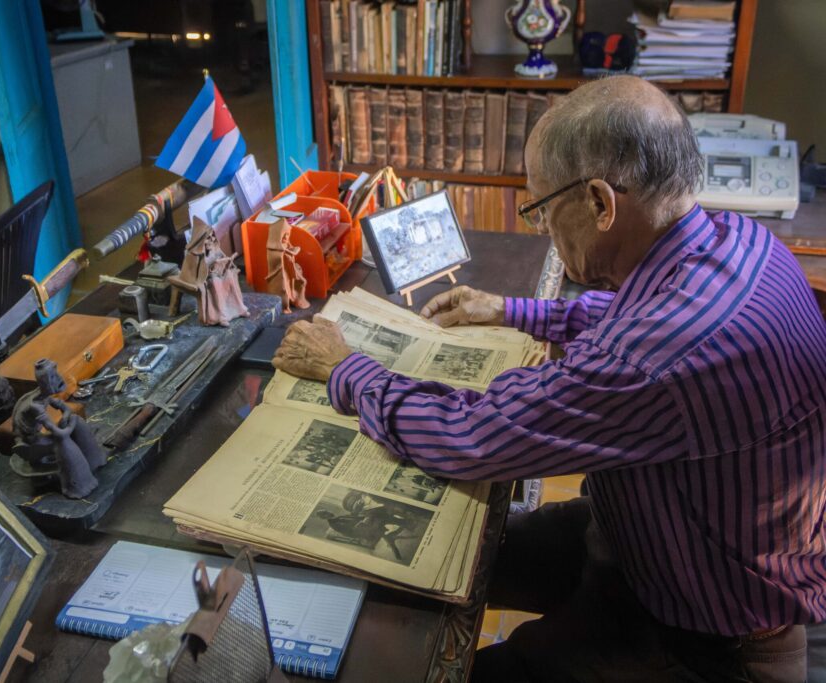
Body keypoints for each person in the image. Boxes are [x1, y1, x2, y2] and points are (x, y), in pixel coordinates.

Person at [272, 75, 826, 682]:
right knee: (414, 559)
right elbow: (638, 315)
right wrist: (514, 310)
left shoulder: (655, 355)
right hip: (651, 535)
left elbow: (471, 435)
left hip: (705, 638)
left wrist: (343, 366)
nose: (542, 230)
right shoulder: (740, 241)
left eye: (540, 209)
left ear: (599, 203)